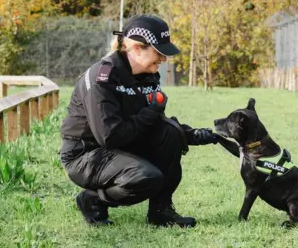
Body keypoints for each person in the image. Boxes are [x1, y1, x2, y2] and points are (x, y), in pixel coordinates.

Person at [59, 14, 222, 228]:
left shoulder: (147, 75)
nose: (163, 59)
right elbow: (110, 136)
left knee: (171, 134)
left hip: (120, 145)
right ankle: (93, 199)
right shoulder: (103, 78)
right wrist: (151, 110)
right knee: (146, 178)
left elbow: (157, 124)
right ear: (136, 48)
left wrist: (190, 135)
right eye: (159, 52)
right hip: (85, 154)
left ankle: (161, 212)